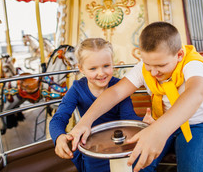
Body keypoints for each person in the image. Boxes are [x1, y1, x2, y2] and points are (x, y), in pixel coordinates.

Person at [68, 22, 203, 172]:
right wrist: (85, 121)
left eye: (161, 66)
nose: (154, 72)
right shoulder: (145, 66)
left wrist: (158, 130)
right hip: (159, 122)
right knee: (135, 164)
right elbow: (116, 92)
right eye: (148, 65)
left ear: (179, 55)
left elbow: (195, 94)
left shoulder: (193, 63)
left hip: (196, 125)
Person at [49, 38, 153, 172]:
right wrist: (59, 137)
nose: (101, 73)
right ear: (81, 69)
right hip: (93, 150)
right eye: (93, 68)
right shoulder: (76, 89)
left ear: (112, 64)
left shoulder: (119, 87)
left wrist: (144, 123)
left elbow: (128, 118)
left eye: (106, 66)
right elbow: (59, 118)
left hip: (119, 147)